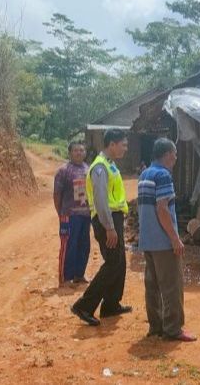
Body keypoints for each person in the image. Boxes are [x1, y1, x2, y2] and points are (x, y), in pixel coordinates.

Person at [71, 129, 132, 326]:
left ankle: (111, 304)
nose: (125, 148)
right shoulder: (99, 167)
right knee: (113, 262)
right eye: (123, 144)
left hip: (114, 218)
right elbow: (100, 199)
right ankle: (84, 305)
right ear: (112, 144)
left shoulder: (110, 165)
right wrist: (109, 227)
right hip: (107, 220)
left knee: (119, 261)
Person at [138, 138, 196, 342]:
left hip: (147, 240)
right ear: (168, 154)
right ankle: (173, 329)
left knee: (152, 285)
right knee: (171, 285)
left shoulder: (145, 174)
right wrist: (175, 239)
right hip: (163, 241)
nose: (176, 158)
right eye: (175, 153)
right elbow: (162, 209)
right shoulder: (163, 176)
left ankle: (156, 325)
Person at [53, 141, 91, 286]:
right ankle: (65, 278)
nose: (79, 153)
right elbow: (57, 194)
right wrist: (61, 214)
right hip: (69, 215)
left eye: (82, 150)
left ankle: (79, 275)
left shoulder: (88, 169)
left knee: (84, 245)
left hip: (85, 215)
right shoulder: (63, 171)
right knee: (69, 246)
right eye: (76, 150)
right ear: (70, 153)